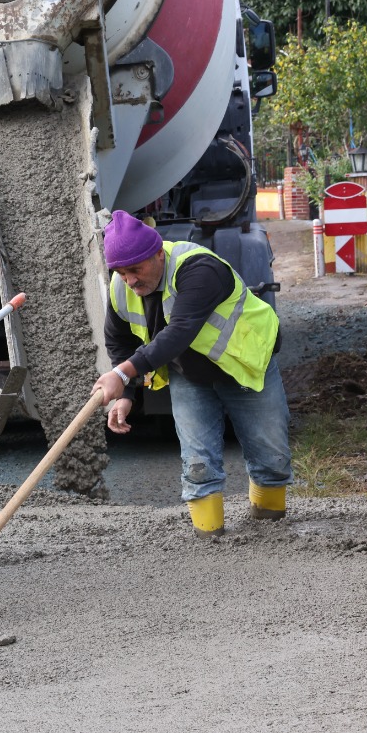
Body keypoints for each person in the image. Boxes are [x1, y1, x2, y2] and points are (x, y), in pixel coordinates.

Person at [92, 210, 290, 537]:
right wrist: (126, 395)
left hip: (246, 364)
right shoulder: (120, 286)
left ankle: (272, 530)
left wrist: (123, 374)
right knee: (198, 465)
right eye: (122, 273)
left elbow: (179, 331)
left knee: (271, 456)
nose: (130, 281)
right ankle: (209, 541)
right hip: (189, 374)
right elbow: (119, 341)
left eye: (136, 270)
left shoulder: (199, 268)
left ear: (158, 254)